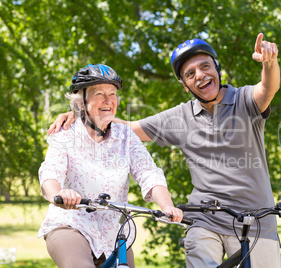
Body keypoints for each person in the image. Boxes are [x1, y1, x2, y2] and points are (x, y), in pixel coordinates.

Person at [48, 33, 281, 268]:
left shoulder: (244, 100)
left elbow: (267, 89)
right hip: (205, 221)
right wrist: (81, 114)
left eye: (205, 66)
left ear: (217, 68)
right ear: (184, 85)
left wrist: (269, 63)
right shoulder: (180, 116)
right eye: (190, 74)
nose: (199, 76)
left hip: (257, 221)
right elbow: (129, 128)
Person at [38, 64, 183, 268]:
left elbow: (149, 173)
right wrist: (59, 194)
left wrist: (167, 205)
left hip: (113, 233)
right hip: (70, 225)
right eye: (99, 93)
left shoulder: (126, 137)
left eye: (112, 94)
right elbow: (50, 172)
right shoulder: (65, 134)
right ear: (82, 102)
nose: (108, 100)